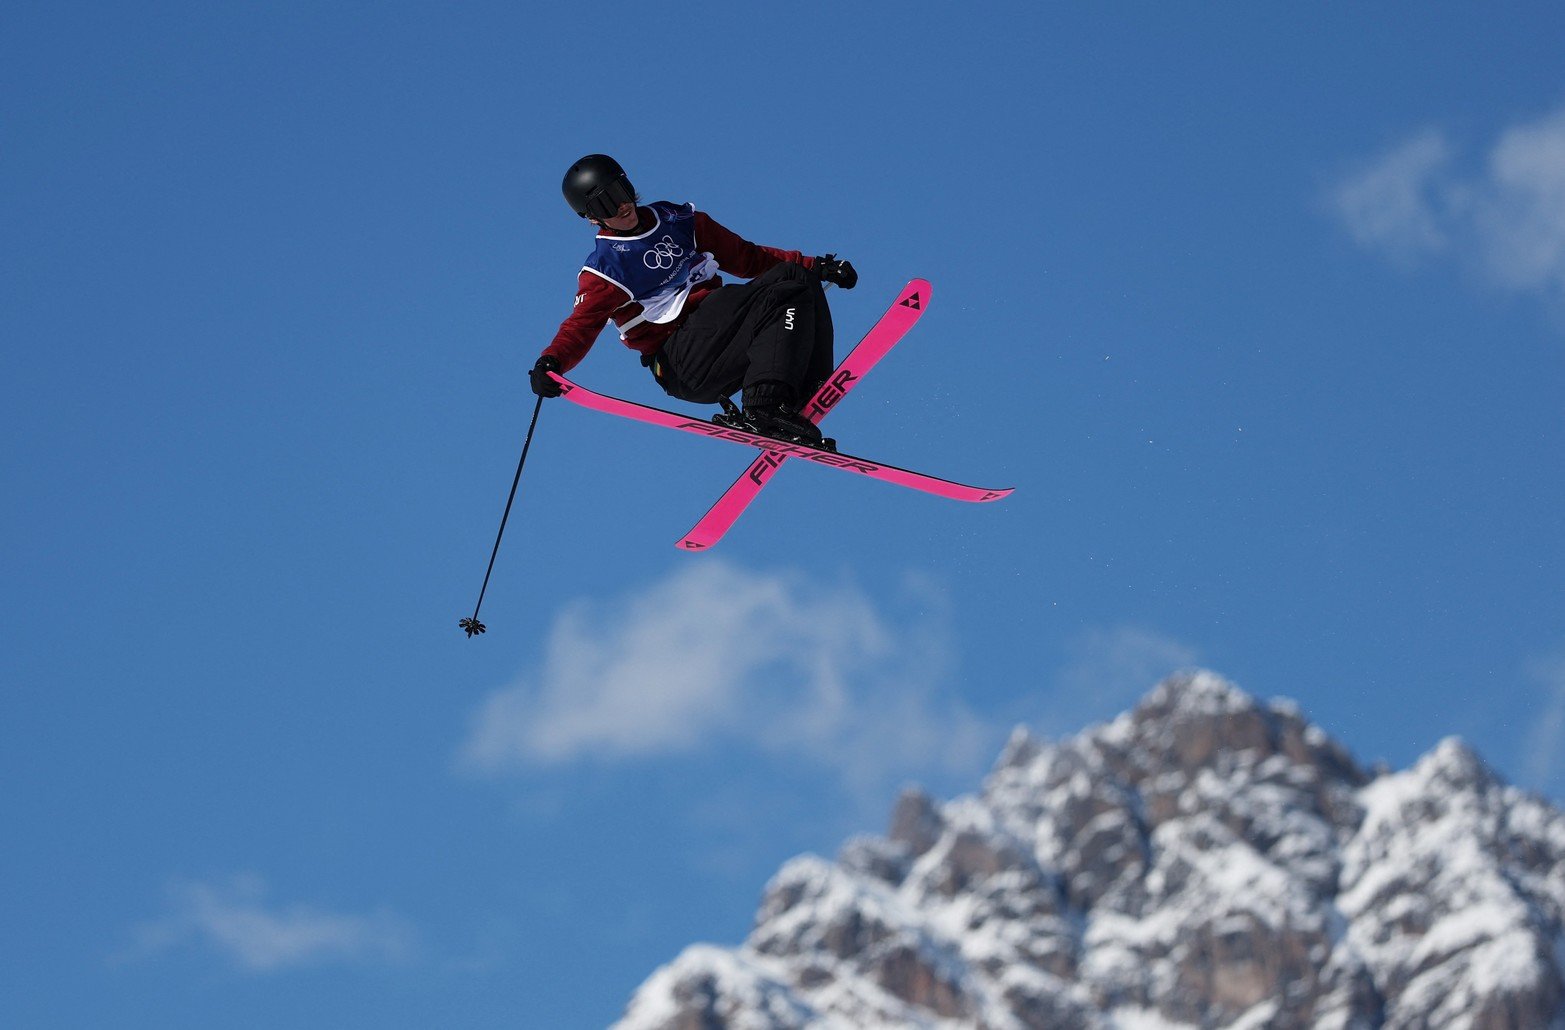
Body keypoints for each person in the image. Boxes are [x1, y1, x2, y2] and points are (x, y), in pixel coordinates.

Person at [528, 154, 858, 445]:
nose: (621, 206)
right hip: (681, 359)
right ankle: (764, 407)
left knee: (800, 281)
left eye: (620, 192)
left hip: (722, 342)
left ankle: (797, 395)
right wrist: (552, 362)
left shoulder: (679, 221)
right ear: (592, 217)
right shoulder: (606, 268)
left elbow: (748, 258)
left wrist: (817, 266)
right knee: (785, 286)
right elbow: (580, 326)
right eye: (605, 204)